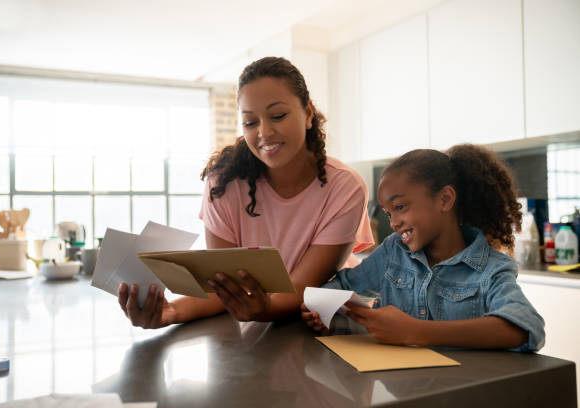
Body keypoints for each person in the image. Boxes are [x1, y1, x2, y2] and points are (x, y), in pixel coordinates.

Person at [118, 57, 374, 328]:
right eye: (250, 122)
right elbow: (223, 288)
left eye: (278, 116)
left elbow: (303, 287)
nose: (265, 132)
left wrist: (261, 309)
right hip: (263, 321)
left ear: (308, 113)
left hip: (334, 322)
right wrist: (170, 313)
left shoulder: (345, 187)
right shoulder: (224, 184)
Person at [302, 144, 545, 352]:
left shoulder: (490, 269)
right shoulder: (394, 252)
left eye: (400, 207)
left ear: (445, 199)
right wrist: (325, 313)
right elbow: (339, 288)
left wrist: (415, 331)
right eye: (388, 213)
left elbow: (526, 328)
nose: (393, 222)